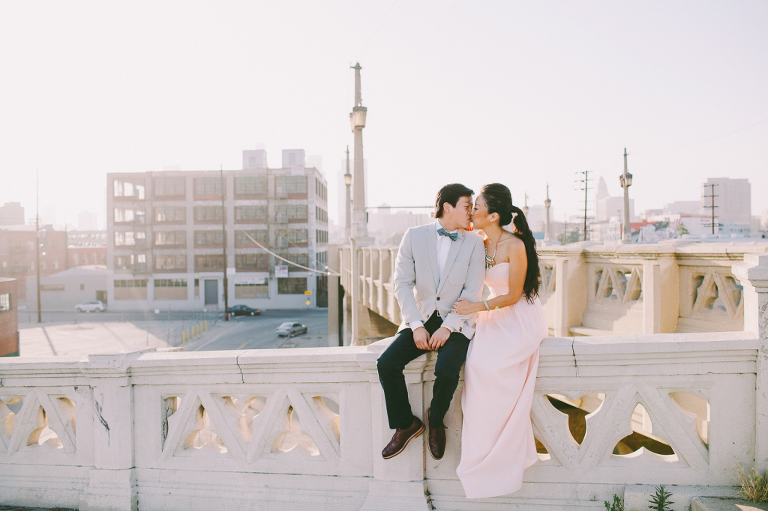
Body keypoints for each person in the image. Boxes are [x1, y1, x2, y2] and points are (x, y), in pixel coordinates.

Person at [377, 183, 486, 461]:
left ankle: (435, 420)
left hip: (457, 320)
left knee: (448, 369)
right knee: (387, 364)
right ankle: (406, 424)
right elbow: (401, 284)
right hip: (422, 318)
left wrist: (448, 326)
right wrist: (416, 325)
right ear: (447, 207)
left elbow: (472, 292)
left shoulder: (475, 243)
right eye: (466, 206)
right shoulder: (413, 236)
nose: (471, 212)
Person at [453, 183, 548, 499]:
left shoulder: (514, 245)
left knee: (493, 368)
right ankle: (483, 453)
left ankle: (504, 453)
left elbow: (514, 294)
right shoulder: (477, 243)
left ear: (493, 215)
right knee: (476, 368)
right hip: (491, 316)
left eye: (476, 208)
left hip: (517, 317)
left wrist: (477, 307)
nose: (471, 212)